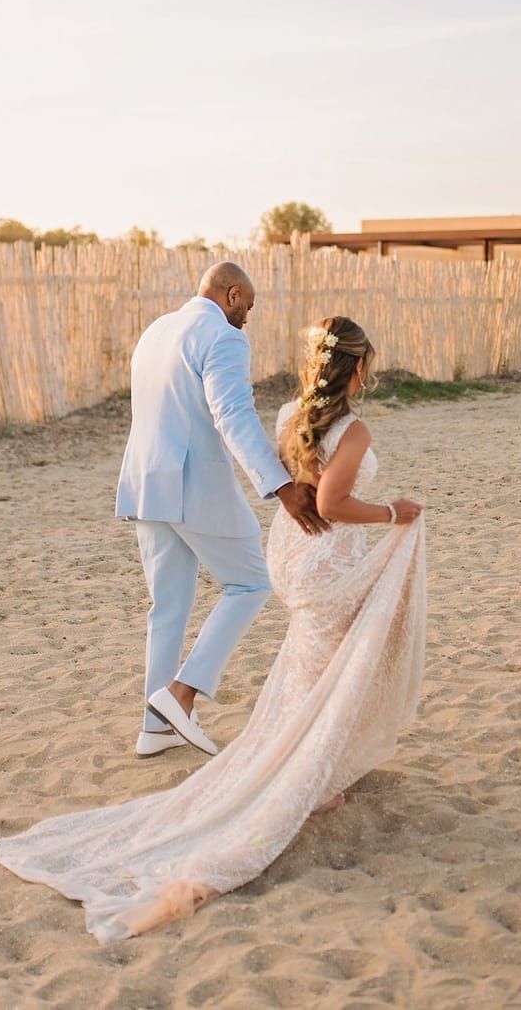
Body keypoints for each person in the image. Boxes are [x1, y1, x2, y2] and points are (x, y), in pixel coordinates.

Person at [0, 316, 426, 943]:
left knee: (319, 663)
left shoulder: (287, 416)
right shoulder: (352, 430)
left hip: (292, 554)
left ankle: (314, 767)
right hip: (325, 555)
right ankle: (308, 777)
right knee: (345, 661)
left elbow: (296, 482)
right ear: (358, 369)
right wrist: (394, 512)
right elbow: (331, 505)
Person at [114, 261, 326, 759]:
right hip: (193, 485)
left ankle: (154, 728)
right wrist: (281, 486)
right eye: (247, 307)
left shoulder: (156, 330)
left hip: (146, 485)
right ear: (231, 295)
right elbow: (232, 414)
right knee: (251, 582)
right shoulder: (223, 337)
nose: (247, 319)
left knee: (166, 608)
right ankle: (180, 697)